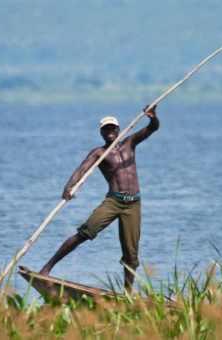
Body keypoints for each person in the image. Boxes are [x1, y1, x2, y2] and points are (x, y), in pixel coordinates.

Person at [39, 105, 159, 293]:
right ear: (101, 132)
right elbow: (82, 169)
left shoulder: (130, 143)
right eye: (106, 129)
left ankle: (126, 294)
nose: (110, 131)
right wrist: (69, 186)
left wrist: (153, 117)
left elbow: (153, 128)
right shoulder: (99, 153)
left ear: (118, 129)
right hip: (114, 201)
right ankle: (46, 269)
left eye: (112, 128)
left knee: (131, 254)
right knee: (85, 232)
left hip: (133, 204)